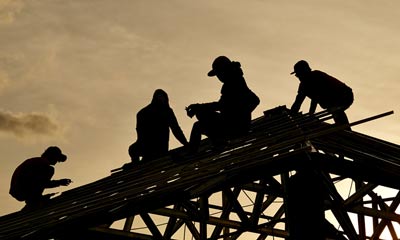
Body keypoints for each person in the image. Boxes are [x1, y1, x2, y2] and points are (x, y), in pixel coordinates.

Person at [186, 56, 260, 151]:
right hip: (236, 125)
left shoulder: (233, 83)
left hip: (234, 127)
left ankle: (196, 150)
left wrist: (241, 114)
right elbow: (255, 100)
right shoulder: (236, 80)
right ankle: (218, 141)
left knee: (199, 122)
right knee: (201, 115)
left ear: (224, 71)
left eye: (218, 73)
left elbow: (221, 105)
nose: (218, 77)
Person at [128, 89, 188, 164]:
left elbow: (176, 129)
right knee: (133, 149)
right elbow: (140, 134)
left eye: (163, 98)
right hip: (146, 146)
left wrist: (185, 143)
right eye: (159, 97)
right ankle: (136, 164)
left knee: (134, 149)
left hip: (160, 147)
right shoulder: (143, 113)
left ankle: (144, 159)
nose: (162, 100)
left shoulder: (167, 111)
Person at [290, 60, 354, 127]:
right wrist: (293, 114)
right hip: (336, 99)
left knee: (335, 110)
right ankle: (342, 126)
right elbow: (298, 101)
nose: (298, 77)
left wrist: (311, 113)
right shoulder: (304, 85)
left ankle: (344, 128)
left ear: (304, 72)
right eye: (297, 75)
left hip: (344, 95)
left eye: (298, 74)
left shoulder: (316, 76)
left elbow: (316, 96)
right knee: (334, 110)